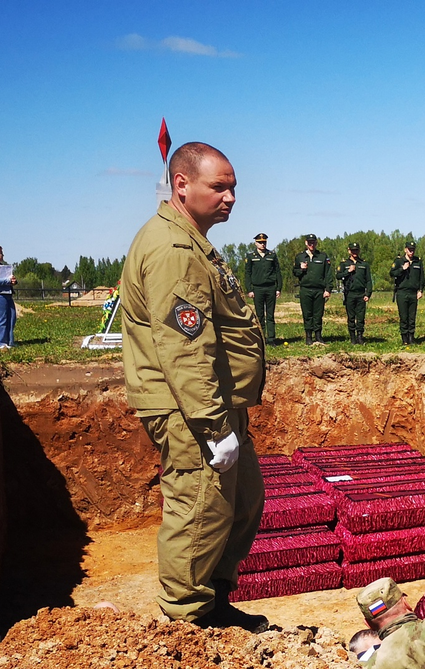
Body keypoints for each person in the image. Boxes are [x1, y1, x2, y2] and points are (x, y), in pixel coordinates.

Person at [120, 141, 270, 632]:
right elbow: (185, 349)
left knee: (243, 502)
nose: (230, 198)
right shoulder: (173, 249)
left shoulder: (194, 241)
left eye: (233, 188)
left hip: (217, 405)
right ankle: (187, 624)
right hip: (192, 410)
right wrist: (210, 426)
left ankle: (215, 603)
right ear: (181, 185)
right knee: (200, 511)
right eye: (219, 187)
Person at [292, 235, 333, 345]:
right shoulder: (300, 257)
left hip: (319, 290)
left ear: (316, 243)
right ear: (306, 243)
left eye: (313, 242)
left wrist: (328, 289)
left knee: (318, 314)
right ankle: (309, 336)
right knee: (307, 314)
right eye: (309, 242)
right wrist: (301, 269)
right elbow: (295, 272)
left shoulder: (322, 256)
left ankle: (318, 336)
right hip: (305, 289)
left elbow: (328, 274)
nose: (311, 244)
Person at [243, 232, 280, 345]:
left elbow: (277, 272)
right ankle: (261, 338)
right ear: (255, 243)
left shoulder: (272, 255)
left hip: (270, 288)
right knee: (259, 315)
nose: (262, 244)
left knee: (270, 315)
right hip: (257, 289)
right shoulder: (251, 256)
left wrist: (278, 288)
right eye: (260, 242)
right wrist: (249, 289)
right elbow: (247, 274)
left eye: (264, 242)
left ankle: (271, 338)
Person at [389, 239, 424, 346]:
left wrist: (420, 290)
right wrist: (402, 269)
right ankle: (404, 339)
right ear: (405, 250)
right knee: (404, 317)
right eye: (409, 250)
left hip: (413, 293)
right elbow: (392, 273)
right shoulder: (399, 261)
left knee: (412, 317)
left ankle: (411, 338)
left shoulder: (418, 262)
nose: (411, 252)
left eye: (413, 250)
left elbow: (421, 278)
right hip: (402, 292)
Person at [339, 242, 372, 344]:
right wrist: (348, 271)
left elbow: (368, 280)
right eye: (353, 250)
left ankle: (360, 337)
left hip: (361, 294)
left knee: (361, 317)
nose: (355, 252)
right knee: (351, 317)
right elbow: (338, 276)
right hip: (350, 294)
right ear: (349, 251)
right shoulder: (344, 264)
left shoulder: (364, 264)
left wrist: (368, 294)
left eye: (356, 250)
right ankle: (352, 338)